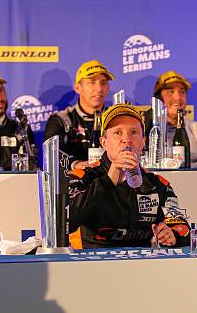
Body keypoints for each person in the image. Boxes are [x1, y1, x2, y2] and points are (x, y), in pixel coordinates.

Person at [66, 103, 190, 249]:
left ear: (143, 142)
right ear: (103, 142)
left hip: (141, 267)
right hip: (87, 265)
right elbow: (67, 222)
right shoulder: (81, 176)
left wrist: (173, 234)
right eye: (118, 132)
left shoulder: (158, 184)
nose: (126, 139)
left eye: (134, 132)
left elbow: (182, 228)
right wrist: (109, 179)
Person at [144, 70, 197, 168]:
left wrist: (182, 167)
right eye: (170, 91)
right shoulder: (145, 130)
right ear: (159, 98)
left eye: (182, 92)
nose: (178, 98)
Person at [45, 60, 113, 170]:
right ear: (77, 88)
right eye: (91, 82)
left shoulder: (117, 120)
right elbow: (52, 155)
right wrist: (75, 164)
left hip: (111, 182)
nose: (99, 89)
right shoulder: (60, 120)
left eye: (103, 83)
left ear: (108, 88)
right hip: (74, 181)